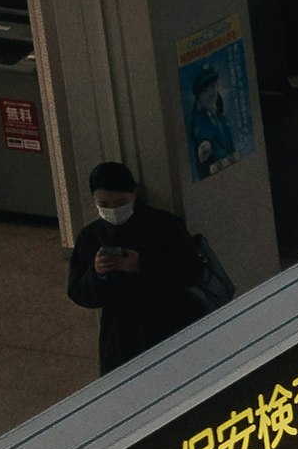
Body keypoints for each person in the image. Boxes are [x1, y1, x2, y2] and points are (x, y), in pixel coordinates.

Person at [66, 159, 208, 375]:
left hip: (171, 322)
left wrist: (142, 264)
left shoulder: (163, 225)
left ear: (134, 194)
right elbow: (79, 293)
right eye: (104, 205)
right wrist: (97, 274)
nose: (113, 210)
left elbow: (191, 270)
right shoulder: (90, 237)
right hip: (122, 335)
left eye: (120, 203)